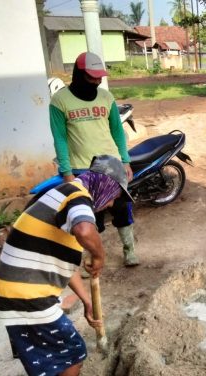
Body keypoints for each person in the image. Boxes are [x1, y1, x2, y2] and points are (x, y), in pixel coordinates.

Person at [0, 155, 133, 376]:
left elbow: (65, 265)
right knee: (73, 354)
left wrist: (87, 301)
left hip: (16, 295)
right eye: (114, 196)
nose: (111, 203)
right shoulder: (76, 195)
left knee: (47, 362)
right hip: (28, 298)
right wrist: (100, 256)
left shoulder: (62, 196)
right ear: (105, 185)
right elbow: (85, 231)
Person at [49, 51, 139, 267]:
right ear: (79, 75)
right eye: (92, 77)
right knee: (88, 216)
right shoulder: (60, 101)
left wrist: (125, 160)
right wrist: (67, 172)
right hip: (81, 170)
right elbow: (59, 139)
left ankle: (129, 251)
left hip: (112, 165)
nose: (97, 81)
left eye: (100, 77)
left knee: (122, 210)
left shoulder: (106, 97)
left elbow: (117, 131)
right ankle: (93, 257)